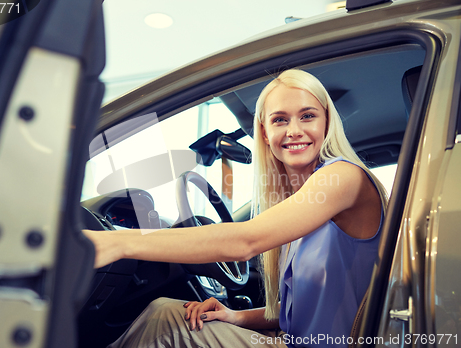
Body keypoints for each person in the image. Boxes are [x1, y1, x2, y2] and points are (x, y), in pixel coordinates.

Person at [83, 69, 389, 348]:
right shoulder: (302, 202)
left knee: (164, 325)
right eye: (280, 119)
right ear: (266, 133)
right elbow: (306, 311)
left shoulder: (342, 177)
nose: (294, 130)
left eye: (307, 116)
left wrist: (118, 242)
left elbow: (244, 241)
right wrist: (236, 317)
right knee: (163, 312)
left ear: (326, 122)